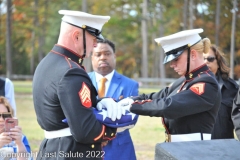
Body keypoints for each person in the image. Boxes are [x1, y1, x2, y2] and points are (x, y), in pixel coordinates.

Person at [32, 10, 123, 160]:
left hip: (52, 150)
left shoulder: (47, 63)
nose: (95, 45)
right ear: (76, 36)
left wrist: (99, 103)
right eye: (93, 38)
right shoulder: (71, 71)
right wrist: (116, 127)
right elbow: (85, 131)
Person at [117, 28, 221, 142]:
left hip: (194, 150)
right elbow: (157, 96)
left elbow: (169, 106)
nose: (172, 64)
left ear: (193, 54)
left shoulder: (206, 83)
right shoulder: (184, 80)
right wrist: (130, 99)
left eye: (176, 59)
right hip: (176, 147)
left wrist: (133, 106)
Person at [88, 39, 139, 160]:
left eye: (107, 53)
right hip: (87, 147)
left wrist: (105, 136)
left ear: (114, 56)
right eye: (98, 54)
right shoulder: (81, 81)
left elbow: (130, 118)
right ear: (92, 58)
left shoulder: (130, 85)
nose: (103, 57)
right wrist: (96, 135)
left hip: (119, 149)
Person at [203, 45, 239, 139]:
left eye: (210, 59)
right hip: (196, 147)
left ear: (218, 63)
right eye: (202, 59)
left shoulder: (233, 89)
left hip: (224, 148)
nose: (205, 62)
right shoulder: (187, 86)